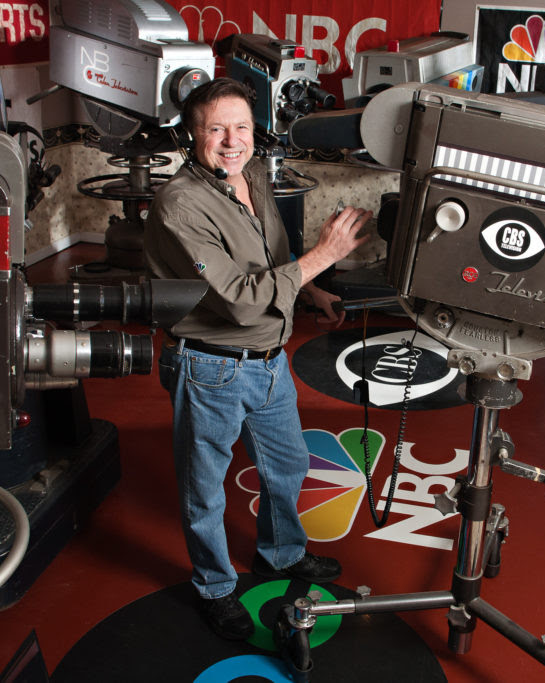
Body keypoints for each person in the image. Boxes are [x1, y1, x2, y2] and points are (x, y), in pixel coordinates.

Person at [144, 78, 372, 641]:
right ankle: (216, 588)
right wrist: (324, 257)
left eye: (240, 127)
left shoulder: (253, 178)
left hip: (269, 361)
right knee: (205, 489)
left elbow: (271, 260)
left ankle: (280, 553)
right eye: (215, 128)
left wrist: (310, 288)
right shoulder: (179, 206)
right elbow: (242, 301)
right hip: (210, 365)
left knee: (288, 465)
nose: (230, 140)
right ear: (191, 135)